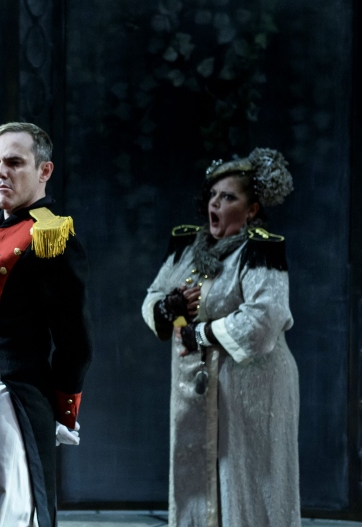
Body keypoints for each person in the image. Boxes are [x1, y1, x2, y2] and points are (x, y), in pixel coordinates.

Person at [141, 148, 300, 526]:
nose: (215, 203)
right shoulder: (187, 250)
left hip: (252, 387)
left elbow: (265, 320)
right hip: (193, 387)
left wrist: (201, 333)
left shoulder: (259, 252)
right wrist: (170, 306)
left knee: (249, 477)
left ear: (252, 210)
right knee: (197, 480)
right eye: (213, 195)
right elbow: (152, 298)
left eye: (228, 197)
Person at [0, 122, 93, 527]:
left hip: (17, 397)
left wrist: (63, 409)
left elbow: (74, 342)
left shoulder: (51, 235)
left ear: (44, 171)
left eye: (14, 163)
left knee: (13, 513)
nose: (1, 173)